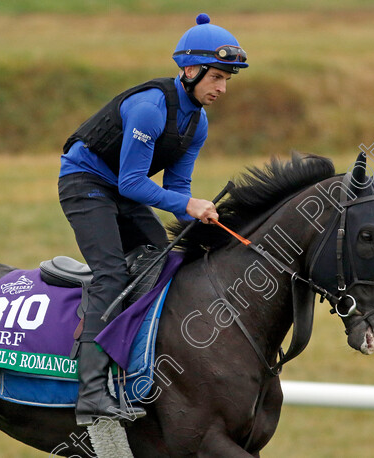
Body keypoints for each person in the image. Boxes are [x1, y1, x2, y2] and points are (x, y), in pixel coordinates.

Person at [58, 13, 248, 426]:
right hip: (85, 182)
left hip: (121, 189)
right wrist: (188, 205)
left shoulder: (197, 124)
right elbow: (131, 183)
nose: (222, 88)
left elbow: (177, 188)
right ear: (190, 70)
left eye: (228, 79)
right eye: (217, 77)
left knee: (162, 261)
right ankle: (90, 394)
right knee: (110, 273)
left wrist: (195, 210)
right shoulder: (149, 108)